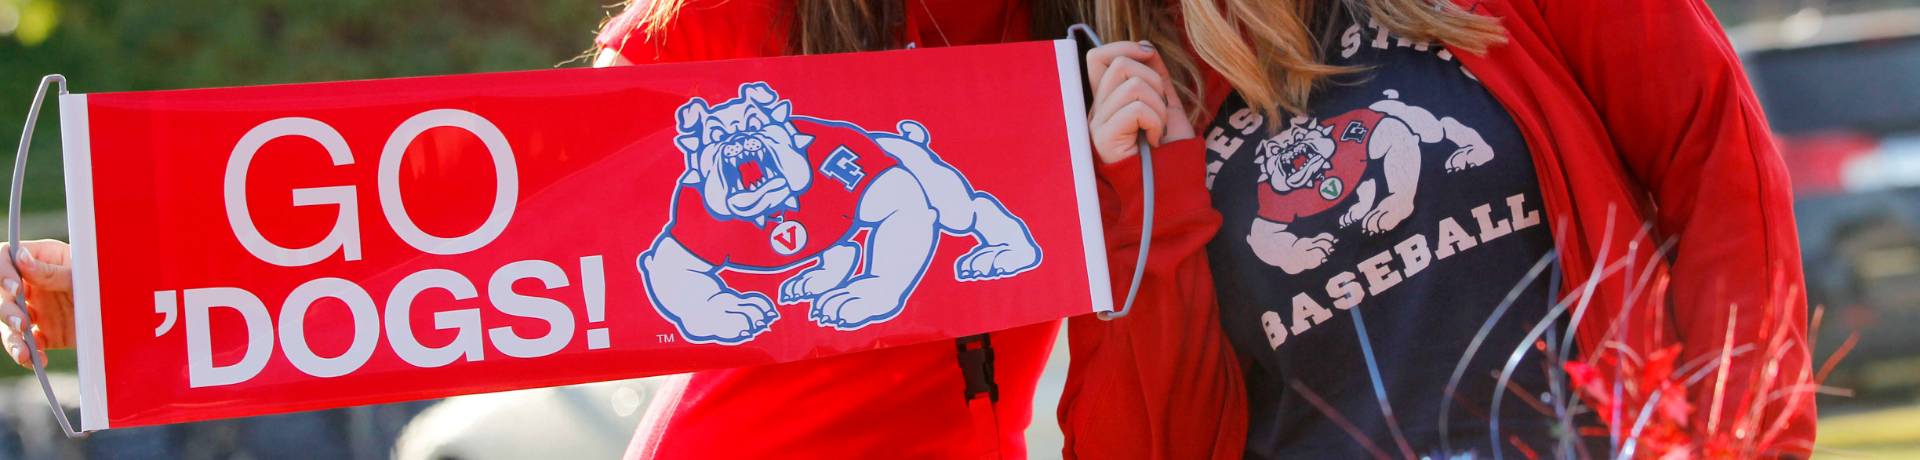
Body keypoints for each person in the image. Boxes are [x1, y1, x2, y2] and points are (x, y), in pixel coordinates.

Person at [4, 1, 1250, 459]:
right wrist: (117, 289)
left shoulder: (1107, 33)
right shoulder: (737, 21)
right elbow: (470, 206)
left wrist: (1114, 152)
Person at [1084, 0, 1816, 457]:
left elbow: (1721, 173)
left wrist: (1740, 440)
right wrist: (1154, 205)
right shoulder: (1141, 95)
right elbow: (1136, 437)